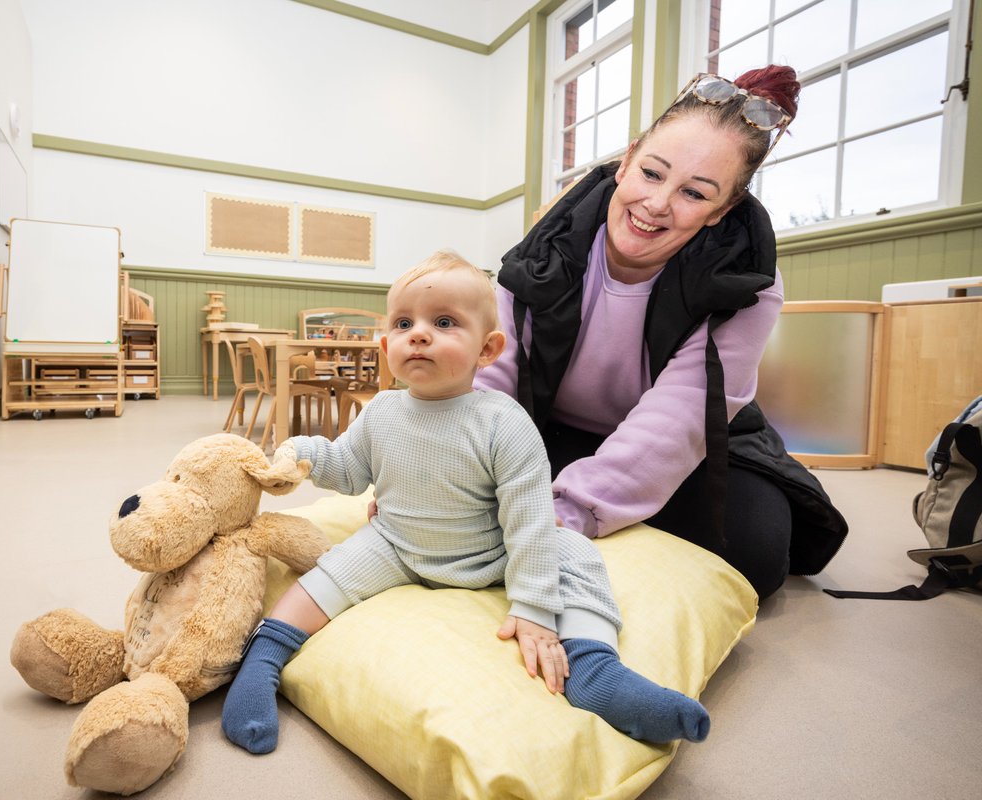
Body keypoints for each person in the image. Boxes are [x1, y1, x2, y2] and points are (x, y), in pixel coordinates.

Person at [221, 251, 711, 755]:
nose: (420, 334)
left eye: (445, 322)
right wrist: (302, 454)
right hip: (396, 543)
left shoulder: (503, 421)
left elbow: (527, 521)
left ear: (487, 348)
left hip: (490, 549)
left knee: (573, 554)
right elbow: (348, 468)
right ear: (387, 344)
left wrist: (536, 607)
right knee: (326, 573)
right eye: (405, 323)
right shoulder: (381, 411)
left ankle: (593, 667)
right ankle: (265, 657)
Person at [474, 66, 848, 600]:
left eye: (694, 193)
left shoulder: (747, 282)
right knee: (477, 481)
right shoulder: (546, 245)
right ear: (626, 161)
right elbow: (495, 367)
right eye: (651, 173)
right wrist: (444, 458)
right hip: (554, 421)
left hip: (694, 436)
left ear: (723, 211)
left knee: (755, 553)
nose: (656, 204)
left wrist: (566, 515)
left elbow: (684, 412)